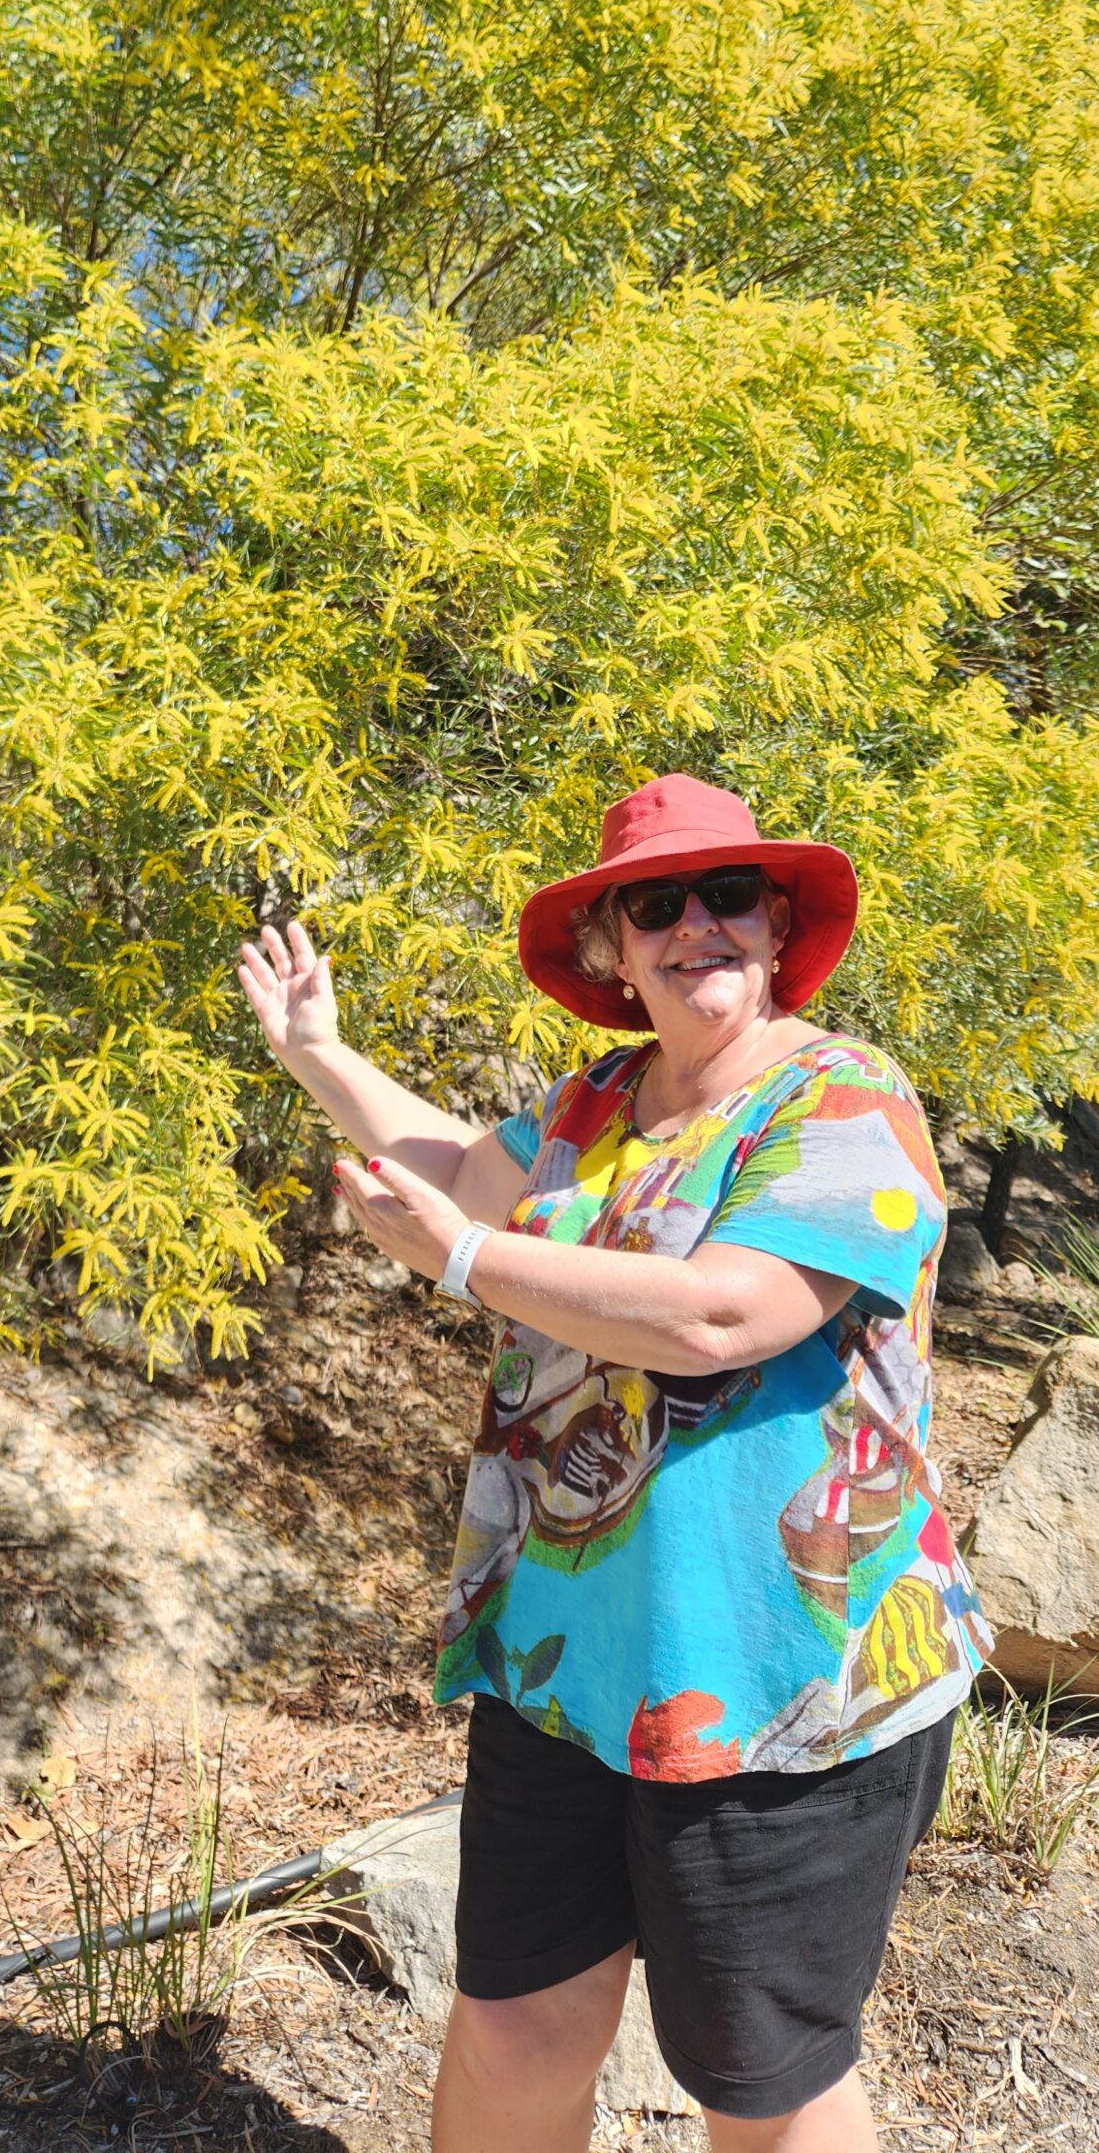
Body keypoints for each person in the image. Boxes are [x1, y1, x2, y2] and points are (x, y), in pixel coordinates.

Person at [238, 775, 991, 2153]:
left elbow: (725, 1316)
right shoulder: (595, 1099)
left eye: (727, 898)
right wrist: (316, 1054)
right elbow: (464, 1173)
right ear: (614, 947)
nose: (695, 925)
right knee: (515, 2020)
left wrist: (463, 1264)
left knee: (759, 2075)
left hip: (784, 1681)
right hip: (570, 1672)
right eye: (657, 904)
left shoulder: (844, 1098)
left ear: (777, 928)